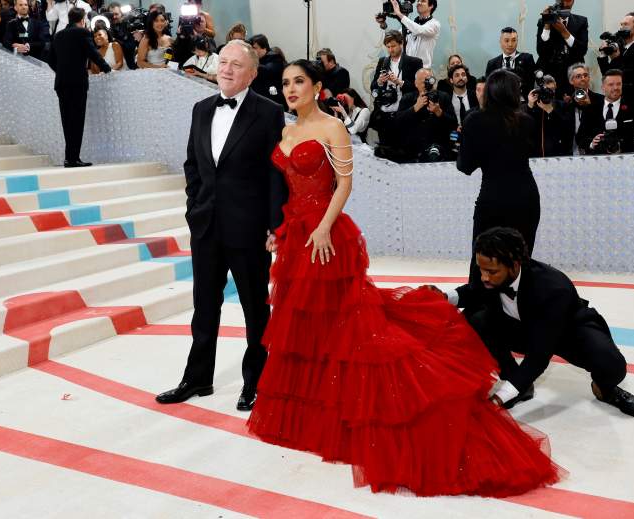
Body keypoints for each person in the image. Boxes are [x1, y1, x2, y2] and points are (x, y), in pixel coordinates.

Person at [246, 59, 560, 498]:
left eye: (299, 81)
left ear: (318, 86)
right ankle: (319, 405)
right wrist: (281, 232)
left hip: (326, 234)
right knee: (307, 323)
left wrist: (321, 227)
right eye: (285, 83)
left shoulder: (332, 128)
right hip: (296, 234)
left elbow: (343, 185)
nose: (290, 88)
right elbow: (289, 186)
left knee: (344, 321)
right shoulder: (284, 133)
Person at [155, 40, 288, 413]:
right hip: (207, 225)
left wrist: (275, 225)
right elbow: (193, 165)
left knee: (254, 308)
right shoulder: (200, 109)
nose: (227, 70)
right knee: (204, 306)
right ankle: (198, 377)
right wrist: (194, 208)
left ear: (252, 73)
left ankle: (256, 382)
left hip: (249, 228)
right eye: (223, 62)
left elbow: (275, 174)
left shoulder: (268, 113)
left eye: (236, 65)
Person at [446, 227, 634, 418]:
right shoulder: (493, 275)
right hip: (523, 327)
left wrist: (501, 397)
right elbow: (474, 290)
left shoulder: (553, 287)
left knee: (611, 364)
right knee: (476, 318)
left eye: (491, 272)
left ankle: (605, 390)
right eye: (481, 269)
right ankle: (516, 379)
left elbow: (539, 355)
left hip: (568, 333)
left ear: (514, 264)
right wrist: (441, 295)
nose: (484, 277)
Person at [457, 69, 539, 291]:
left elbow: (465, 167)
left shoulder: (474, 120)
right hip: (526, 198)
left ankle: (480, 312)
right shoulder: (527, 121)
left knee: (483, 261)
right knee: (519, 261)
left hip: (493, 198)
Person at [49, 6, 111, 167]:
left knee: (67, 120)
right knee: (77, 121)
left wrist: (62, 70)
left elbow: (49, 58)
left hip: (61, 82)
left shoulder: (58, 35)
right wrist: (107, 68)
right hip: (77, 83)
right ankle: (73, 158)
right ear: (82, 20)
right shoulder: (82, 33)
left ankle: (69, 157)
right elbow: (93, 53)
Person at [597, 12, 634, 134]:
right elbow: (607, 76)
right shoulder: (619, 46)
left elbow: (626, 78)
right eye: (621, 24)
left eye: (625, 24)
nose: (621, 27)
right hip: (614, 104)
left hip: (631, 105)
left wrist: (616, 58)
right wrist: (603, 54)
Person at [392, 67, 457, 162]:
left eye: (429, 81)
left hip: (439, 150)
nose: (428, 84)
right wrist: (415, 108)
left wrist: (439, 112)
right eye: (424, 82)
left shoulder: (444, 97)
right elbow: (397, 123)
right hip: (412, 152)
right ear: (416, 84)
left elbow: (453, 124)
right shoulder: (407, 98)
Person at [369, 30, 423, 147]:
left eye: (393, 46)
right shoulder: (382, 61)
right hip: (384, 114)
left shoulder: (414, 62)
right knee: (384, 150)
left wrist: (399, 82)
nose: (390, 50)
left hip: (404, 114)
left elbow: (418, 88)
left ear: (401, 44)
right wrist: (379, 81)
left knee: (403, 150)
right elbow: (373, 86)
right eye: (388, 47)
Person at [535, 0, 588, 97]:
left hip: (571, 76)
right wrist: (547, 26)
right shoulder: (543, 21)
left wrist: (564, 32)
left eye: (568, 0)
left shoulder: (581, 22)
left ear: (573, 2)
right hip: (550, 76)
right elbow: (541, 52)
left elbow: (582, 50)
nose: (565, 3)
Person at [577, 69, 634, 154]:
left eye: (619, 84)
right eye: (611, 84)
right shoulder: (590, 108)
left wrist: (622, 146)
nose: (615, 88)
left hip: (625, 160)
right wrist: (591, 143)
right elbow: (580, 138)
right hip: (596, 161)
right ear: (603, 88)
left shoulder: (633, 108)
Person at [562, 63, 603, 155]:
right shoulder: (567, 103)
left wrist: (589, 107)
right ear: (571, 81)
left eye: (585, 75)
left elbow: (600, 125)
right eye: (578, 76)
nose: (583, 78)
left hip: (593, 150)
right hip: (571, 152)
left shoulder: (600, 100)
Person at [525, 74, 570, 157]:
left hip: (557, 154)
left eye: (552, 90)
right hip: (534, 153)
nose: (550, 93)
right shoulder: (530, 106)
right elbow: (523, 127)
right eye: (547, 91)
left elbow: (567, 128)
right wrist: (530, 106)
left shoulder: (562, 105)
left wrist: (550, 110)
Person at [486, 27, 536, 100]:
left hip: (522, 102)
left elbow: (531, 83)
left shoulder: (527, 59)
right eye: (506, 41)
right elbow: (489, 87)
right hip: (499, 103)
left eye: (514, 40)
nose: (510, 44)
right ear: (500, 41)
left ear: (517, 41)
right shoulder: (492, 63)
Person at [389, 0, 439, 69]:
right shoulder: (411, 24)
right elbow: (395, 37)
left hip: (423, 70)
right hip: (407, 70)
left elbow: (419, 30)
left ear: (431, 6)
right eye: (418, 1)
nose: (419, 3)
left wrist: (399, 13)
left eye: (423, 1)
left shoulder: (434, 24)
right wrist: (383, 24)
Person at [249, 34, 286, 107]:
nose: (252, 51)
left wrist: (250, 62)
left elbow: (267, 70)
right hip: (257, 100)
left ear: (264, 47)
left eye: (255, 48)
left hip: (273, 101)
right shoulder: (257, 59)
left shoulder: (275, 57)